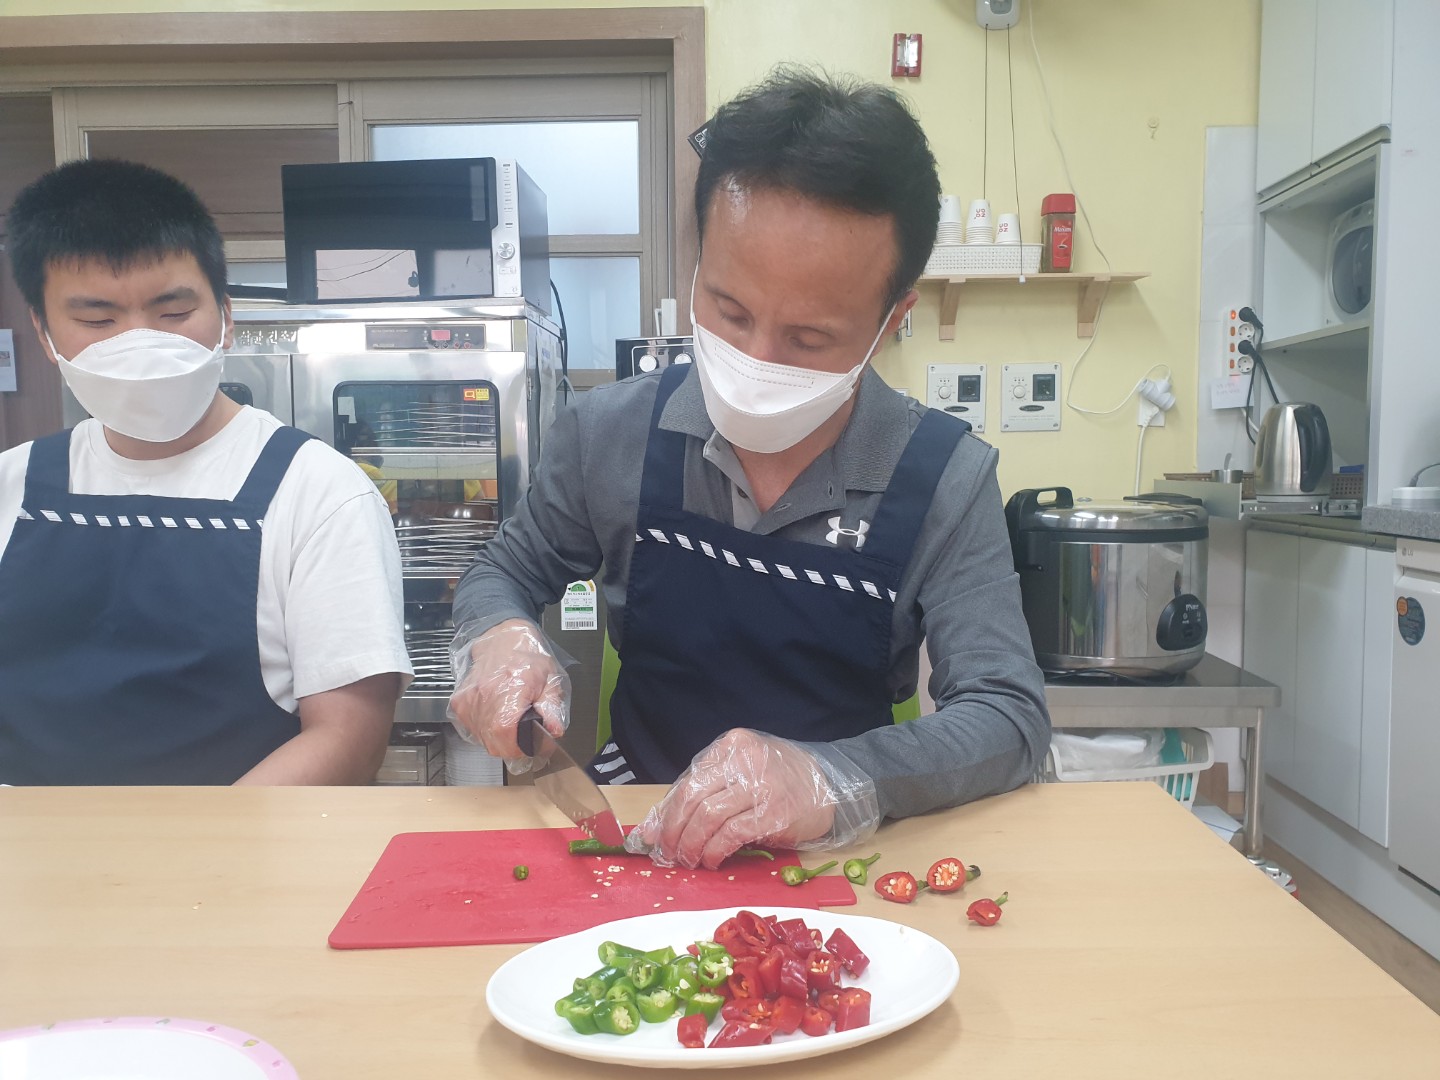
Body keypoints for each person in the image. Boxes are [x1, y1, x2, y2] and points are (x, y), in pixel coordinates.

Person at [448, 67, 1050, 867]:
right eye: (730, 312)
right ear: (698, 264)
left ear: (891, 320)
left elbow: (1008, 716)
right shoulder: (610, 433)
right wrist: (498, 636)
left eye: (809, 338)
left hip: (837, 854)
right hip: (641, 826)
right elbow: (505, 570)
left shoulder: (945, 478)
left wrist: (833, 778)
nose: (758, 360)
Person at [0, 158, 412, 785]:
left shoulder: (319, 493)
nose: (139, 344)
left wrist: (197, 844)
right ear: (44, 331)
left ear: (225, 314)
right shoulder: (12, 484)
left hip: (245, 842)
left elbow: (347, 737)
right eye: (98, 321)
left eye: (172, 313)